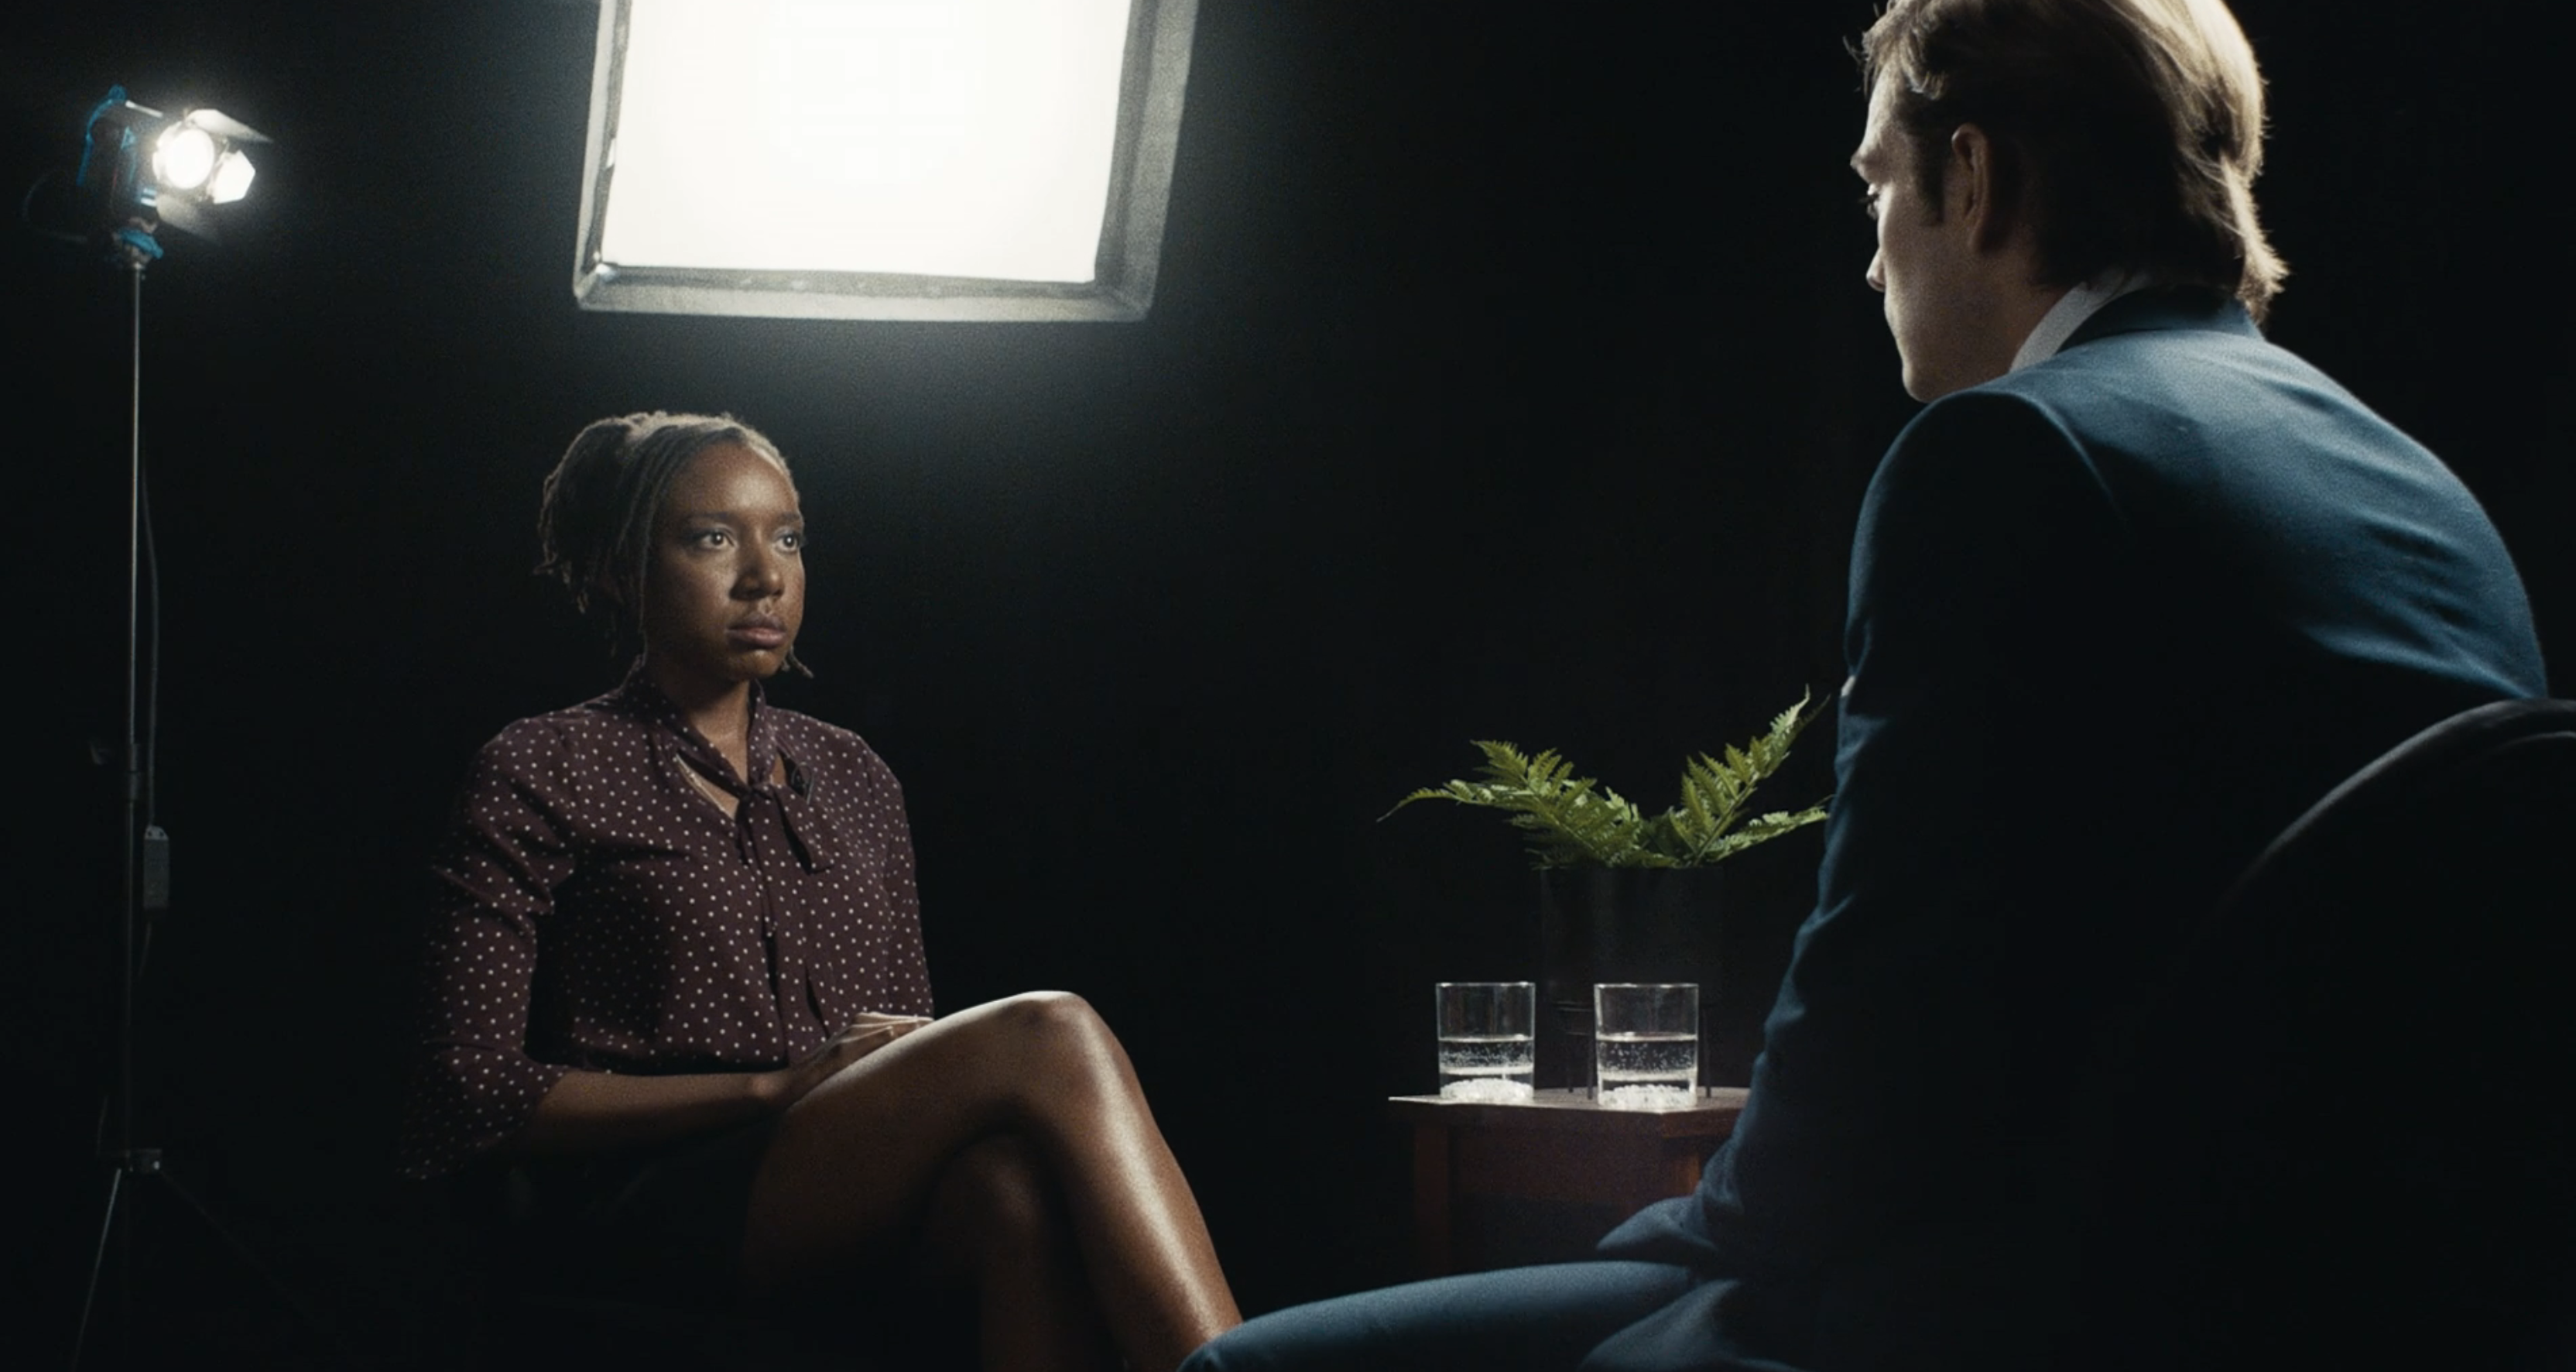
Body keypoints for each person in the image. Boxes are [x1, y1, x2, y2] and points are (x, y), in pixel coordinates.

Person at [1182, 1, 2547, 1368]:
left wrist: (1663, 1248)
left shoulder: (2007, 455)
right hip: (2368, 1307)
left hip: (2021, 1307)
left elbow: (1874, 1046)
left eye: (1878, 186)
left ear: (1973, 176)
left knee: (1246, 1367)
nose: (1871, 253)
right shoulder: (2427, 498)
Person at [400, 411, 1241, 1372]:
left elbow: (905, 1037)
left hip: (839, 1175)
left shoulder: (853, 774)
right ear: (615, 569)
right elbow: (466, 1091)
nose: (764, 576)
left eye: (787, 537)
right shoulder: (541, 765)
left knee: (1011, 1188)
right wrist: (768, 1086)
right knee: (1050, 1029)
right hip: (646, 1198)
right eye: (712, 537)